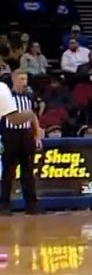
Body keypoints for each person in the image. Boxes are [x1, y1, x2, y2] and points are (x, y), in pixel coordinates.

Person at [0, 70, 43, 215]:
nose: (25, 82)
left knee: (28, 171)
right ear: (13, 79)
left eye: (26, 79)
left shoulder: (29, 96)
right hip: (10, 135)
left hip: (26, 135)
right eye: (21, 79)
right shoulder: (6, 96)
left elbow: (33, 117)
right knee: (8, 172)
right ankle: (4, 205)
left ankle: (32, 206)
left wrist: (37, 135)